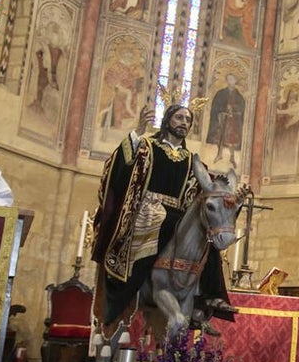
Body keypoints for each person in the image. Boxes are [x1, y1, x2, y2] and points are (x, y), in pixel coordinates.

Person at [91, 101, 230, 332]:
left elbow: (202, 185)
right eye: (179, 118)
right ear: (167, 121)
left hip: (178, 213)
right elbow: (119, 166)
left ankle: (207, 297)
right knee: (162, 221)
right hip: (148, 210)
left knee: (207, 234)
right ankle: (135, 283)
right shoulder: (146, 146)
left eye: (188, 120)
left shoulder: (189, 158)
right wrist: (138, 131)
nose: (184, 123)